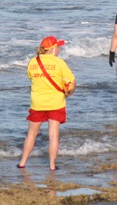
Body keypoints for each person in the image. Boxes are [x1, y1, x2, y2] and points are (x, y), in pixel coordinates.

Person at [18, 36, 76, 171]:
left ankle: (22, 162)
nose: (60, 49)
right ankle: (52, 165)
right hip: (56, 102)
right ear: (54, 48)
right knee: (53, 135)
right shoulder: (59, 63)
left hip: (37, 103)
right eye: (58, 47)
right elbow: (71, 82)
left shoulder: (33, 62)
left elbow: (30, 77)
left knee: (31, 134)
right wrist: (69, 93)